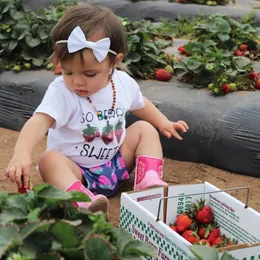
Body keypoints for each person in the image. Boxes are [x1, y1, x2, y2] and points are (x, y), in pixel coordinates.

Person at [5, 4, 188, 214]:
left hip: (116, 164)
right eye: (68, 72)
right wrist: (21, 153)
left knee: (145, 129)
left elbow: (140, 103)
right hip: (77, 172)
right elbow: (39, 122)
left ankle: (149, 181)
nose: (78, 82)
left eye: (89, 74)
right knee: (49, 160)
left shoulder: (122, 83)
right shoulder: (62, 93)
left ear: (114, 62)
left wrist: (163, 122)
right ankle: (83, 200)